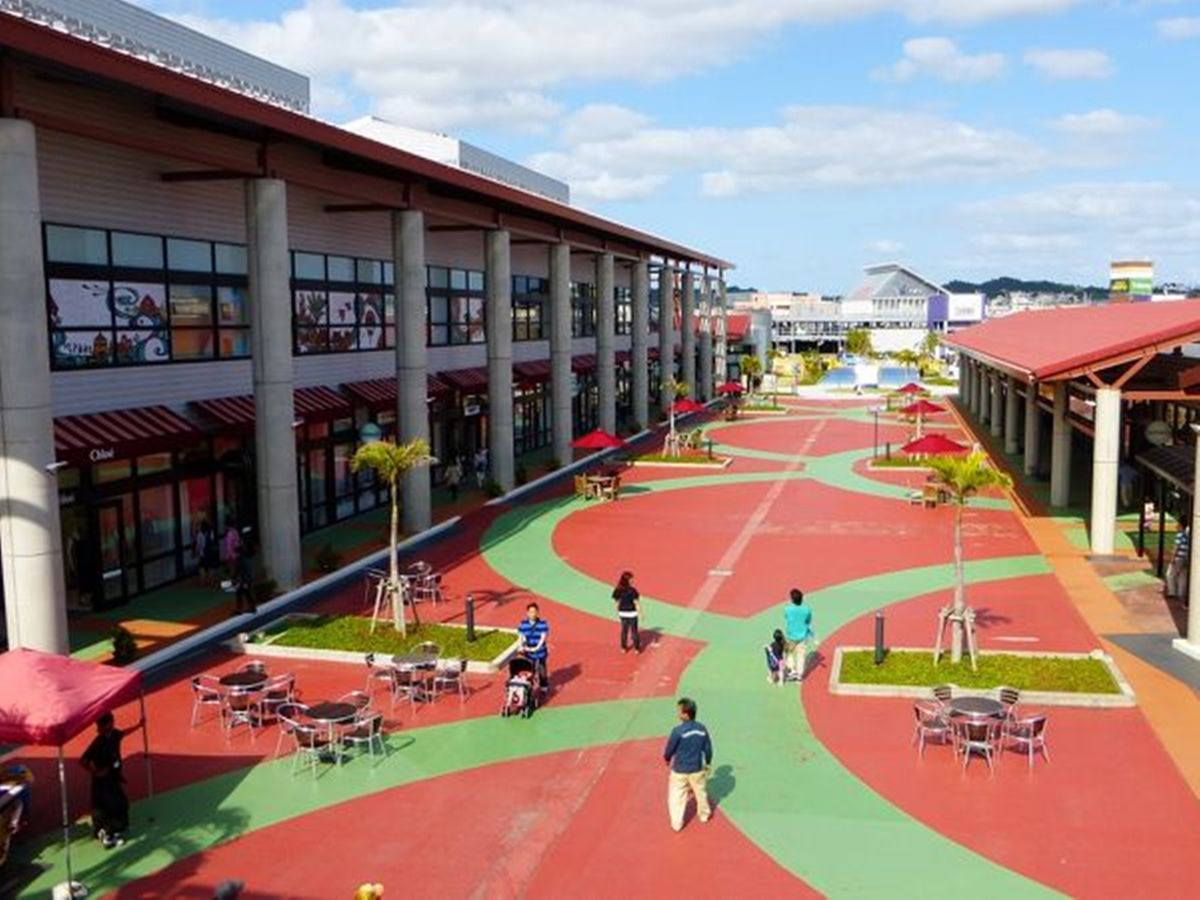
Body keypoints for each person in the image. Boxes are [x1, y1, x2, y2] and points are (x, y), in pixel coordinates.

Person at [80, 711, 144, 849]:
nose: (112, 724)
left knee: (121, 804)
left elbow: (124, 733)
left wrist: (138, 726)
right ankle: (107, 835)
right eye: (109, 722)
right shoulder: (98, 743)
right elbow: (83, 760)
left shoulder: (114, 734)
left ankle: (118, 828)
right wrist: (96, 772)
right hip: (103, 782)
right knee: (111, 807)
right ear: (104, 725)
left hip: (113, 777)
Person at [663, 697, 713, 832]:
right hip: (696, 768)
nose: (678, 713)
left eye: (679, 711)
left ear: (686, 714)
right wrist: (708, 762)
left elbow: (670, 749)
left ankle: (677, 824)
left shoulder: (678, 731)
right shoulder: (701, 729)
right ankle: (704, 815)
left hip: (680, 770)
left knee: (676, 796)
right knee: (700, 792)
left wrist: (667, 758)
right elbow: (708, 748)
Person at [516, 602, 550, 693]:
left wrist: (536, 648)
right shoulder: (523, 624)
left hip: (540, 651)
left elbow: (543, 638)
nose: (533, 614)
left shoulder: (543, 624)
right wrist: (521, 646)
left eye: (534, 612)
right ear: (527, 613)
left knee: (542, 668)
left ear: (537, 612)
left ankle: (543, 685)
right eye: (530, 612)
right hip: (529, 650)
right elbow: (521, 637)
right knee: (530, 669)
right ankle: (529, 686)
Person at [783, 588, 815, 680]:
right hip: (803, 636)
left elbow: (786, 617)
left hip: (791, 636)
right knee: (800, 655)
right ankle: (799, 674)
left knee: (789, 653)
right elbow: (808, 620)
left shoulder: (787, 609)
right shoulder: (807, 609)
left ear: (792, 599)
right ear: (802, 598)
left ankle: (792, 670)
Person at [612, 570, 641, 653]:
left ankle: (623, 648)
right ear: (627, 580)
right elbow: (636, 602)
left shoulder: (618, 589)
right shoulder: (633, 590)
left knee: (624, 630)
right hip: (632, 613)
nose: (633, 580)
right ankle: (637, 648)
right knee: (634, 631)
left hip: (622, 613)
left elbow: (617, 602)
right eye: (631, 579)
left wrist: (617, 613)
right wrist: (641, 613)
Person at [233, 541, 256, 615]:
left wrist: (234, 578)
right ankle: (251, 607)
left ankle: (239, 609)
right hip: (249, 578)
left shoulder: (240, 559)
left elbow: (237, 570)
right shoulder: (248, 557)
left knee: (240, 593)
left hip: (244, 579)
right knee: (247, 593)